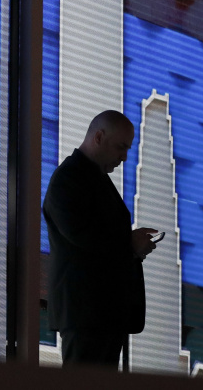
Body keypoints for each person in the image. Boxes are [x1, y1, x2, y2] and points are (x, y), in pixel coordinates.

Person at [42, 110, 158, 368]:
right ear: (98, 137)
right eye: (121, 147)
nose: (124, 157)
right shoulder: (69, 179)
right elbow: (83, 235)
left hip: (97, 314)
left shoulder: (88, 178)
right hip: (87, 315)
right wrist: (130, 244)